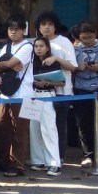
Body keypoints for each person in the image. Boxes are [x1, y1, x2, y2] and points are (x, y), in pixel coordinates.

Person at [0, 14, 34, 177]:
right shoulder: (5, 48)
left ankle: (18, 165)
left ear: (24, 30)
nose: (13, 32)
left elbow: (6, 64)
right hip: (5, 94)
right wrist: (3, 65)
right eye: (11, 29)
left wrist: (3, 65)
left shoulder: (27, 46)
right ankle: (3, 161)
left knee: (20, 130)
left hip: (23, 94)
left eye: (17, 29)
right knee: (2, 128)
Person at [34, 11, 77, 162]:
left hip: (61, 91)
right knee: (38, 127)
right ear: (38, 27)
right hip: (39, 92)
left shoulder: (64, 42)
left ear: (55, 27)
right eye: (43, 24)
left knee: (58, 125)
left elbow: (73, 67)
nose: (46, 27)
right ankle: (40, 159)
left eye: (50, 24)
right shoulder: (35, 42)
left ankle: (58, 157)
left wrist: (56, 58)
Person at [72, 21, 98, 168]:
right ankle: (89, 156)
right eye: (83, 38)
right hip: (81, 92)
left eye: (90, 37)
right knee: (84, 125)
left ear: (95, 35)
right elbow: (68, 68)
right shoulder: (74, 50)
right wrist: (77, 67)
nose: (87, 41)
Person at [29, 37, 64, 176]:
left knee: (49, 129)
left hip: (47, 94)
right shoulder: (31, 61)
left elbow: (62, 82)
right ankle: (38, 160)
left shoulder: (52, 62)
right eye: (36, 46)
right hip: (32, 95)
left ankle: (54, 163)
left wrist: (47, 83)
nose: (38, 48)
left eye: (41, 46)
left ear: (47, 47)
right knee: (34, 128)